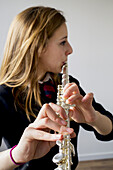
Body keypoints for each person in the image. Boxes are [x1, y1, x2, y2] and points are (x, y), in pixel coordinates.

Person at [0, 6, 113, 170]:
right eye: (62, 42)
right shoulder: (3, 96)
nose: (70, 50)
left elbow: (110, 131)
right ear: (37, 46)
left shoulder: (66, 84)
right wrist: (17, 154)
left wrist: (94, 118)